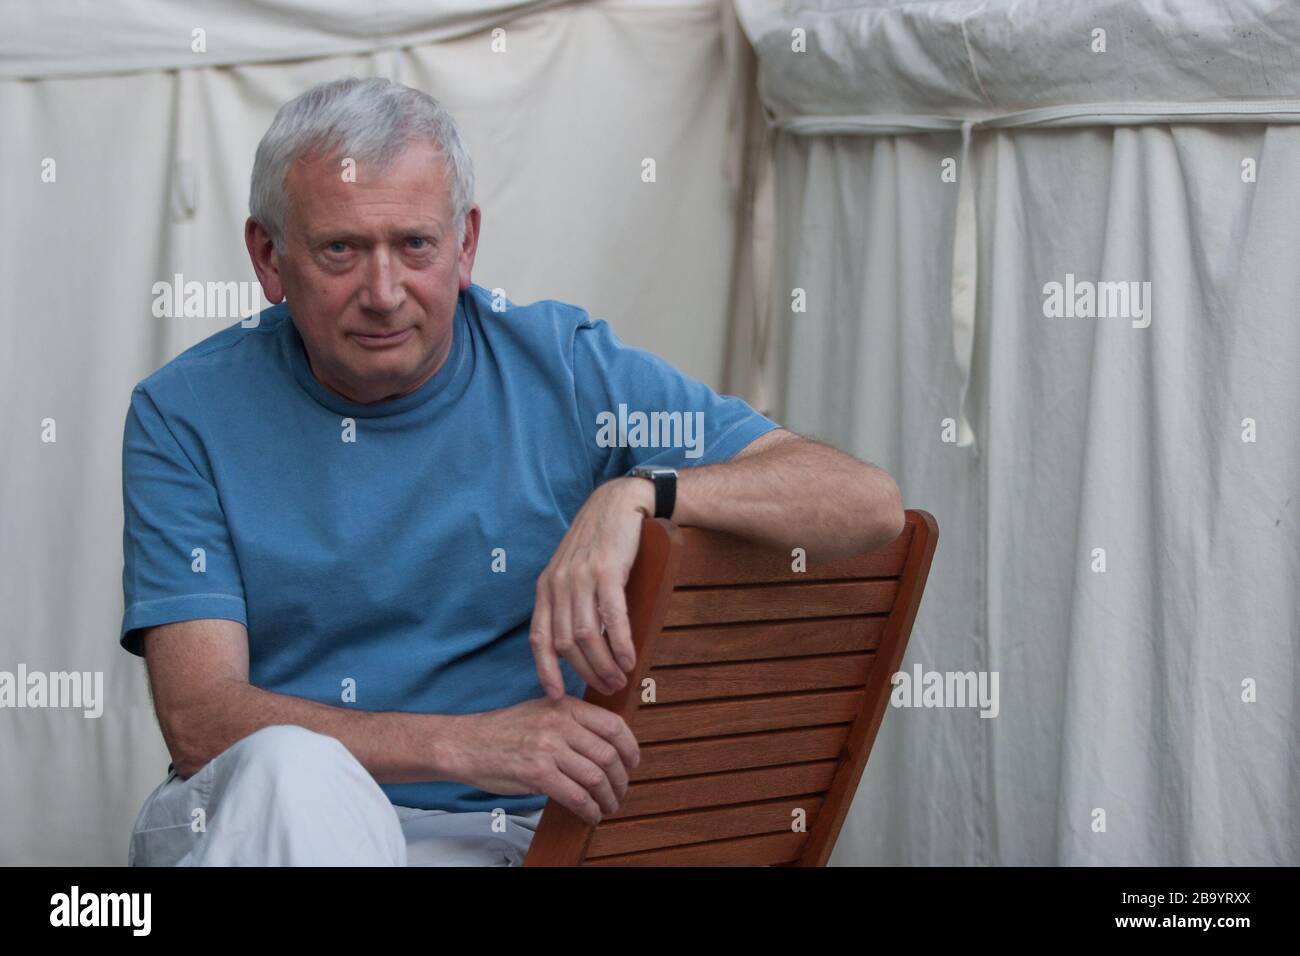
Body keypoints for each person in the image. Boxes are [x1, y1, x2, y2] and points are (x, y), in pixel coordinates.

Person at [120, 76, 905, 866]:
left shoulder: (565, 370)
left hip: (497, 837)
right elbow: (200, 718)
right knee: (295, 770)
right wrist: (467, 747)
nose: (385, 293)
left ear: (466, 244)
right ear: (269, 257)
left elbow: (866, 504)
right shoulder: (184, 412)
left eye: (415, 245)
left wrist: (641, 492)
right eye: (341, 250)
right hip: (253, 821)